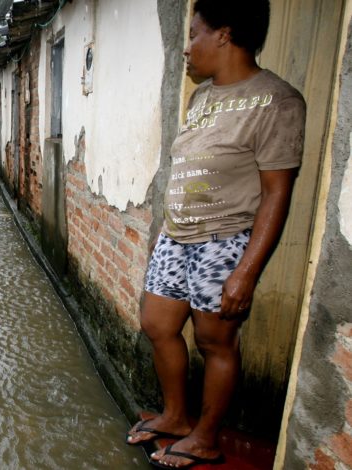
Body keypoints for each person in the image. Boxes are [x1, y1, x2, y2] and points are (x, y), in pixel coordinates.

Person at [125, 1, 306, 468]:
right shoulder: (201, 97)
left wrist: (246, 271)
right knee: (157, 325)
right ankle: (176, 417)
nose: (186, 49)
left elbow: (276, 193)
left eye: (194, 35)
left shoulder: (276, 101)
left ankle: (205, 437)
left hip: (223, 240)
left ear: (224, 35)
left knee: (214, 342)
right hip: (176, 235)